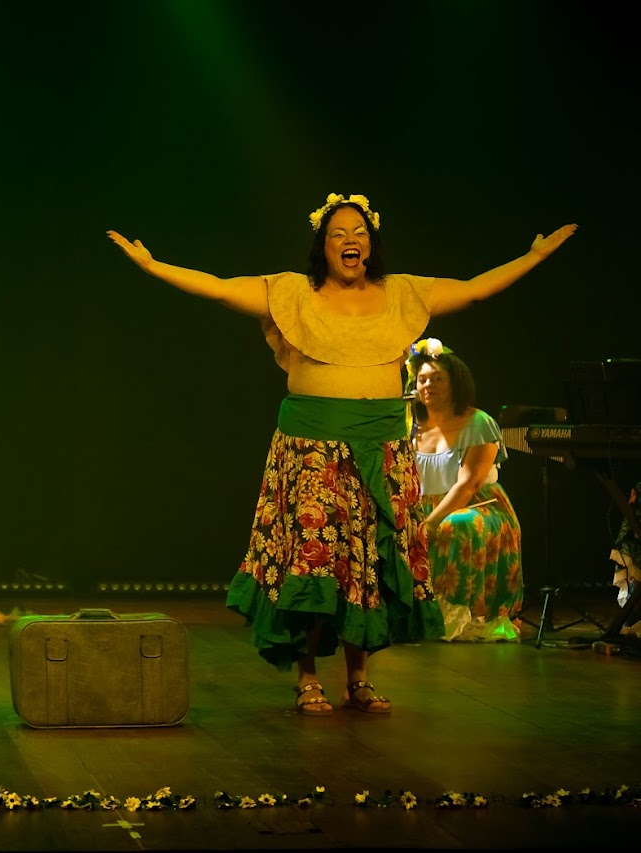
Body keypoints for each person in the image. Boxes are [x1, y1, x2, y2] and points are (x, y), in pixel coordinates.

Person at [107, 193, 576, 715]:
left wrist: (532, 257)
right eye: (339, 234)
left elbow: (472, 292)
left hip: (382, 446)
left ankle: (359, 678)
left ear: (370, 245)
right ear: (323, 246)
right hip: (312, 448)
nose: (351, 241)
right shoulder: (293, 292)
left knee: (367, 564)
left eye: (360, 233)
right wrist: (152, 266)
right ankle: (308, 677)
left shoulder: (402, 293)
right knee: (315, 561)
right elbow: (218, 289)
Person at [407, 339, 523, 641]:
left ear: (455, 383)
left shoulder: (479, 423)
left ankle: (455, 617)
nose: (428, 385)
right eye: (422, 379)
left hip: (475, 506)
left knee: (454, 526)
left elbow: (469, 484)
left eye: (438, 379)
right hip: (423, 505)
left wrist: (431, 522)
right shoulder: (410, 425)